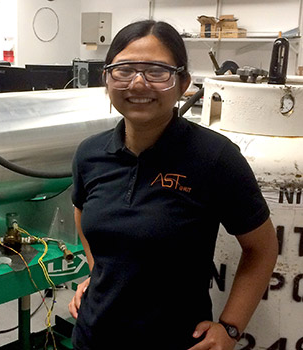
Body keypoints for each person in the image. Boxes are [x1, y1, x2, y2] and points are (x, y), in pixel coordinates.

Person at [68, 20, 278, 350]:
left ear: (183, 84)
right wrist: (98, 276)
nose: (137, 84)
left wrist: (230, 327)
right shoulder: (89, 154)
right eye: (123, 70)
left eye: (156, 71)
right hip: (92, 338)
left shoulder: (215, 158)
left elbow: (262, 249)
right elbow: (84, 220)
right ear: (107, 79)